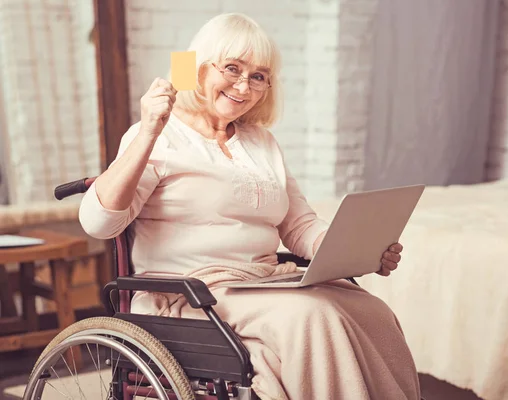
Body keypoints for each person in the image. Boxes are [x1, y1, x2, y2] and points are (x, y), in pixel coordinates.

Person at [79, 12, 421, 400]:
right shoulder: (159, 136)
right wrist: (147, 131)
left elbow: (299, 225)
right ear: (199, 68)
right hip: (190, 296)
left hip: (262, 284)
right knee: (313, 317)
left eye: (258, 76)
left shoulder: (261, 142)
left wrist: (354, 250)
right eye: (232, 68)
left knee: (371, 312)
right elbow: (97, 222)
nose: (244, 85)